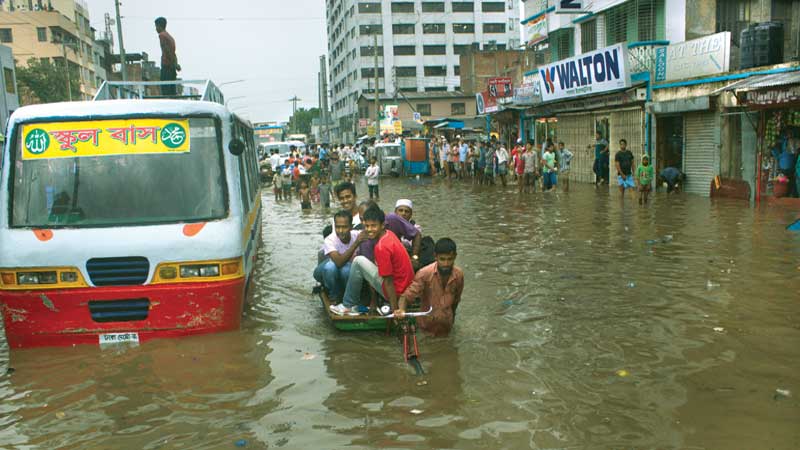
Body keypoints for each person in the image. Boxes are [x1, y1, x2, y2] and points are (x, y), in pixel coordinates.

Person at [331, 205, 415, 316]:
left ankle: (348, 305)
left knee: (358, 261)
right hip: (406, 287)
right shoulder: (389, 234)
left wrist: (395, 310)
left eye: (373, 226)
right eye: (367, 226)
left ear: (382, 225)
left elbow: (388, 282)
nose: (369, 230)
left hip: (397, 290)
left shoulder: (381, 247)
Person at [395, 238, 464, 337]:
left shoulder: (459, 275)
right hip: (426, 328)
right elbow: (406, 296)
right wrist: (401, 310)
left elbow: (456, 301)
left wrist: (452, 320)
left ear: (455, 257)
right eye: (442, 259)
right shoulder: (424, 274)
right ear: (435, 257)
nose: (446, 264)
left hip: (446, 326)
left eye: (450, 259)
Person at [314, 210, 368, 302]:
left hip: (343, 271)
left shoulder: (357, 235)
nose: (341, 231)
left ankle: (345, 293)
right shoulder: (330, 240)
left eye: (344, 227)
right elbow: (339, 262)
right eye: (338, 227)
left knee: (347, 269)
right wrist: (356, 243)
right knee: (331, 267)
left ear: (351, 227)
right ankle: (334, 295)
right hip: (325, 271)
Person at [155, 17, 180, 96]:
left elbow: (167, 51)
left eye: (156, 26)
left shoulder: (162, 36)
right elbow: (173, 53)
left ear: (160, 26)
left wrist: (174, 64)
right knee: (172, 90)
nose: (156, 29)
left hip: (167, 66)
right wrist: (176, 64)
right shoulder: (170, 37)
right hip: (171, 68)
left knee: (166, 90)